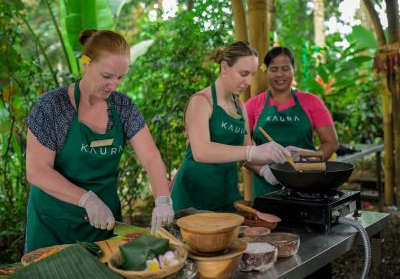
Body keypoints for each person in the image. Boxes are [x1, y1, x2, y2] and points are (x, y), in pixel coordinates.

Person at [25, 29, 174, 252]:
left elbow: (151, 158)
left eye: (120, 77)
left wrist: (163, 199)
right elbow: (37, 171)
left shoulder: (123, 107)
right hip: (53, 225)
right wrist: (86, 199)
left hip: (104, 224)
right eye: (107, 76)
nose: (113, 85)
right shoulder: (52, 106)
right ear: (85, 64)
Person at [171, 41, 291, 212]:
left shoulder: (240, 107)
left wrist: (279, 156)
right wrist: (252, 151)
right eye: (243, 73)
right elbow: (201, 152)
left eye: (252, 75)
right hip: (192, 196)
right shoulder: (202, 102)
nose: (248, 81)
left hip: (225, 194)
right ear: (224, 67)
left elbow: (246, 154)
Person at [246, 46, 339, 198]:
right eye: (274, 69)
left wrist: (307, 161)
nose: (280, 74)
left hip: (307, 186)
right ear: (265, 71)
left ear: (293, 69)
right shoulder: (253, 104)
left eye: (285, 68)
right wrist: (264, 171)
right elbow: (240, 148)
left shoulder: (311, 102)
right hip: (266, 189)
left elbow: (331, 142)